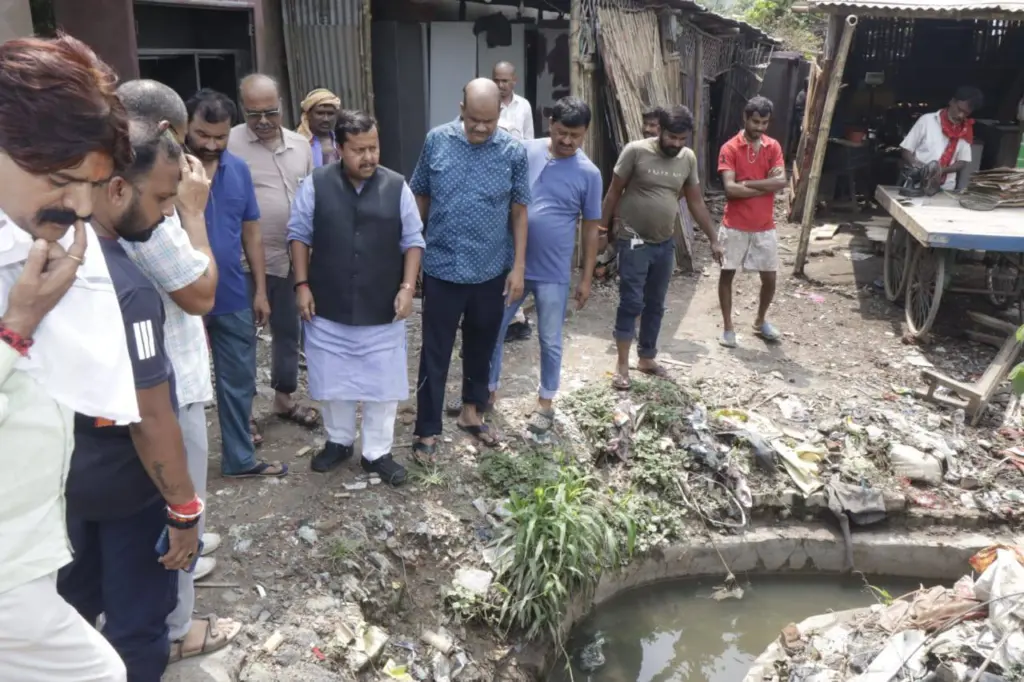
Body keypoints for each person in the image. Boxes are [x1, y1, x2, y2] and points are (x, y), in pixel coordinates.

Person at [0, 33, 132, 682]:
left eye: (92, 185)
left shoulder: (21, 232)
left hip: (27, 550)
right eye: (60, 181)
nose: (78, 207)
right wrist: (18, 327)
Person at [59, 122, 202, 682]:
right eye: (163, 197)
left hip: (63, 480)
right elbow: (151, 416)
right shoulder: (126, 286)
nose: (168, 212)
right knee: (139, 627)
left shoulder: (46, 253)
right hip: (124, 484)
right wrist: (184, 510)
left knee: (70, 609)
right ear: (117, 189)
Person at [116, 79, 239, 662]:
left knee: (178, 503)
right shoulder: (148, 209)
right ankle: (179, 627)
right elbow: (201, 292)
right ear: (167, 132)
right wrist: (191, 213)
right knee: (178, 503)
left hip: (164, 376)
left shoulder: (132, 187)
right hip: (166, 385)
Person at [288, 110, 424, 484]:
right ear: (339, 149)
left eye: (374, 148)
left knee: (383, 386)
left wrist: (407, 288)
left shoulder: (397, 186)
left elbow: (413, 240)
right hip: (328, 305)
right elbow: (299, 234)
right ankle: (339, 441)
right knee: (334, 380)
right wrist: (302, 286)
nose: (369, 157)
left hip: (382, 307)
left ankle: (377, 452)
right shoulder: (316, 183)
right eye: (359, 150)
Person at [410, 78, 529, 460]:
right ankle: (427, 429)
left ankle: (471, 413)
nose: (481, 128)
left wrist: (518, 268)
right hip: (442, 267)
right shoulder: (437, 141)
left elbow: (519, 211)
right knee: (435, 351)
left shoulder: (513, 151)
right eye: (475, 119)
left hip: (490, 269)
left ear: (500, 115)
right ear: (461, 108)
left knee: (480, 346)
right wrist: (409, 261)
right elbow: (421, 196)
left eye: (489, 121)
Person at [186, 88, 286, 479]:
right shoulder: (167, 170)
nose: (211, 145)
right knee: (184, 388)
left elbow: (252, 234)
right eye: (202, 135)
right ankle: (180, 474)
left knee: (239, 380)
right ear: (186, 128)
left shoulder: (239, 170)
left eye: (220, 137)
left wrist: (259, 290)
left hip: (230, 292)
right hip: (179, 298)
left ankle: (239, 459)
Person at [488, 97, 602, 434]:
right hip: (514, 267)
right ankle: (487, 392)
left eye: (576, 136)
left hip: (553, 272)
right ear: (549, 123)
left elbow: (592, 228)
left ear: (585, 134)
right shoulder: (526, 151)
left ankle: (546, 403)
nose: (567, 141)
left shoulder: (589, 174)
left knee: (550, 340)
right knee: (493, 330)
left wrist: (585, 278)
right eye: (561, 132)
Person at [600, 105, 721, 390]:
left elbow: (695, 202)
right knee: (631, 302)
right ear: (660, 129)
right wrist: (603, 229)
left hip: (664, 243)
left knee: (656, 304)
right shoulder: (636, 151)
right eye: (672, 138)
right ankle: (621, 365)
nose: (677, 145)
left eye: (682, 140)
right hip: (633, 239)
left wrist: (714, 238)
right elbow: (614, 190)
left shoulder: (687, 159)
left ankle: (647, 358)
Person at [229, 75, 318, 439]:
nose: (263, 121)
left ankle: (284, 397)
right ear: (242, 109)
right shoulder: (229, 143)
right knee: (242, 337)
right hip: (243, 263)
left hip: (290, 260)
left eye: (270, 112)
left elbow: (312, 198)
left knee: (288, 331)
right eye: (254, 114)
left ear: (282, 105)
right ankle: (244, 411)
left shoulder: (301, 144)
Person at [717, 96, 788, 349]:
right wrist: (765, 187)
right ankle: (728, 327)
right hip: (735, 224)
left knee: (770, 278)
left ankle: (759, 321)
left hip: (764, 226)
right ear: (745, 119)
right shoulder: (730, 148)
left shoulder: (773, 147)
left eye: (764, 122)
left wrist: (747, 183)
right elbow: (730, 190)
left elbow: (781, 182)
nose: (760, 127)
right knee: (727, 275)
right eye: (755, 121)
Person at [900, 86, 982, 192]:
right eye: (959, 109)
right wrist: (920, 168)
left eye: (966, 113)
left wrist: (939, 171)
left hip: (945, 190)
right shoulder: (927, 121)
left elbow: (962, 162)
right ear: (952, 101)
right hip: (916, 186)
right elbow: (906, 150)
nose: (961, 115)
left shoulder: (966, 130)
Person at [296, 87, 341, 167]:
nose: (326, 119)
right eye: (320, 113)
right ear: (308, 114)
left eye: (330, 114)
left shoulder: (341, 140)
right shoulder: (296, 142)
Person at [493, 61, 535, 141]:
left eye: (504, 81)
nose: (500, 85)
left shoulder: (524, 104)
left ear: (514, 80)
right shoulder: (486, 104)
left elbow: (529, 139)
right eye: (496, 80)